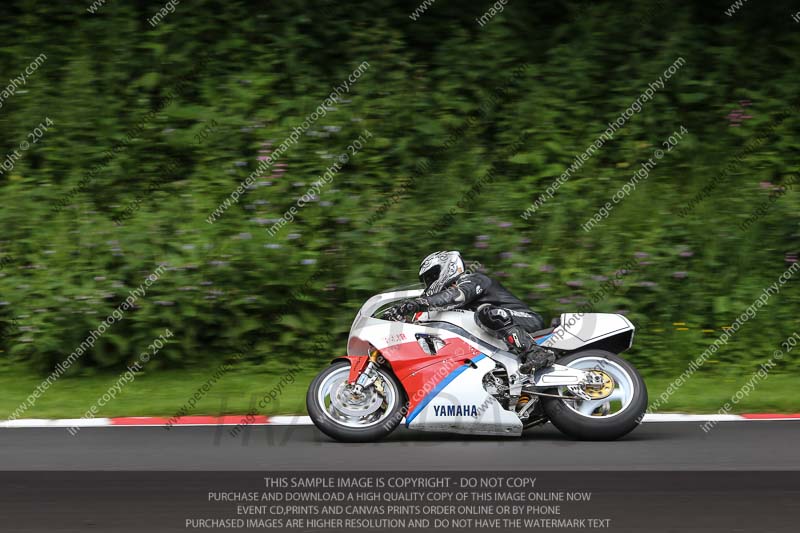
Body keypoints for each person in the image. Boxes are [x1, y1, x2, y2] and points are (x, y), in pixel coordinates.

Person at [384, 250, 555, 373]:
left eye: (431, 277)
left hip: (526, 320)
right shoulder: (449, 307)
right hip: (499, 337)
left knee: (486, 312)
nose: (429, 284)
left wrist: (416, 303)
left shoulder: (472, 279)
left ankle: (536, 352)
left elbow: (456, 296)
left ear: (446, 267)